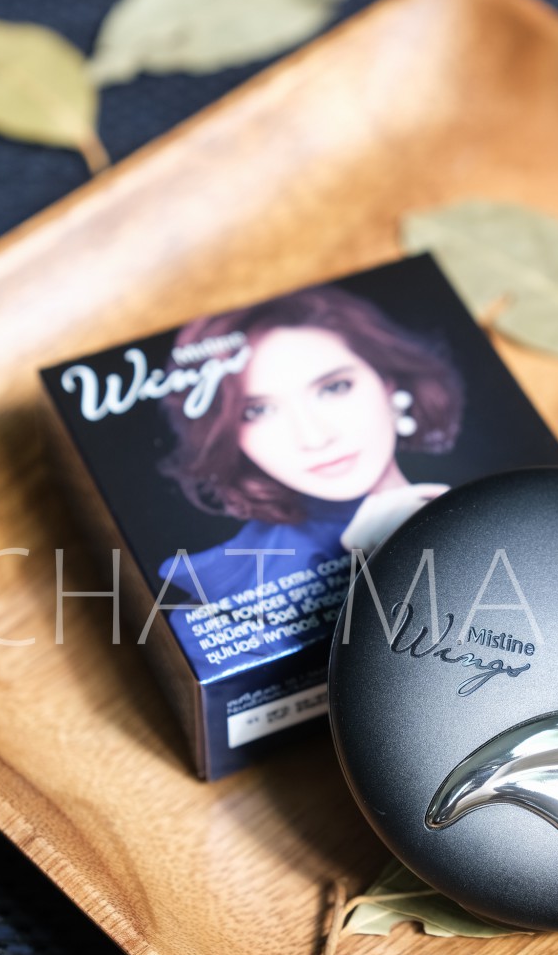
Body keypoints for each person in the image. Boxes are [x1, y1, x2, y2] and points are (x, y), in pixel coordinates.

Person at [156, 283, 465, 677]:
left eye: (334, 388)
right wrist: (366, 563)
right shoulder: (229, 602)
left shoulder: (495, 505)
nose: (314, 437)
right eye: (258, 411)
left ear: (389, 383)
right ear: (232, 437)